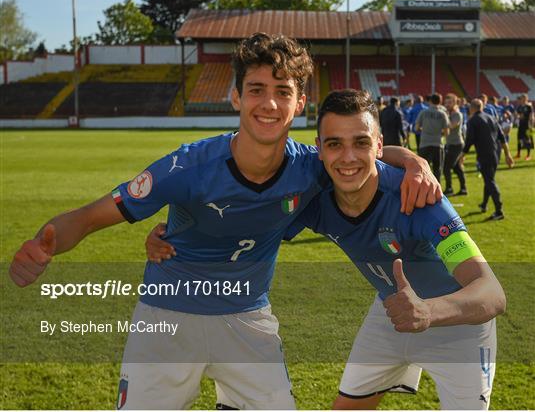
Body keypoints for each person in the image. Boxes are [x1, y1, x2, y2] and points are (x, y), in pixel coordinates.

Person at [8, 33, 441, 410]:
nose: (269, 103)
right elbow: (87, 218)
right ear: (236, 97)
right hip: (167, 318)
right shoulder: (186, 168)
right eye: (256, 90)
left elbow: (363, 155)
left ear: (300, 102)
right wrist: (45, 244)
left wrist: (415, 160)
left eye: (282, 91)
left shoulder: (312, 169)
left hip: (248, 320)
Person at [155, 90, 503, 410]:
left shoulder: (420, 199)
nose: (348, 158)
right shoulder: (315, 197)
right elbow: (240, 221)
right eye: (335, 144)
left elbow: (491, 292)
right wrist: (173, 236)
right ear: (320, 149)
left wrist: (427, 311)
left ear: (378, 145)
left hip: (461, 325)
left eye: (361, 143)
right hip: (390, 311)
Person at [461, 99, 514, 221]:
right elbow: (502, 137)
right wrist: (507, 154)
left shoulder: (473, 120)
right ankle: (484, 204)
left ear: (472, 108)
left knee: (490, 181)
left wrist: (462, 155)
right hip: (496, 153)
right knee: (488, 178)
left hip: (485, 155)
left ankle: (499, 210)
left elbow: (469, 140)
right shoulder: (492, 117)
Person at [415, 93, 450, 182]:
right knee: (437, 169)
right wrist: (440, 133)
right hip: (437, 143)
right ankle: (436, 191)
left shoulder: (423, 112)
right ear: (440, 101)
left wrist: (424, 129)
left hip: (424, 143)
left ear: (430, 101)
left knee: (423, 169)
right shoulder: (443, 114)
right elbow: (447, 132)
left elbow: (416, 127)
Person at [443, 93, 467, 196]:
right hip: (450, 143)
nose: (447, 104)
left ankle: (449, 188)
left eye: (449, 102)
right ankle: (463, 189)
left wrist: (443, 117)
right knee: (457, 167)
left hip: (456, 144)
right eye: (446, 102)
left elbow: (451, 126)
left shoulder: (457, 114)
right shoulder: (449, 113)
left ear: (454, 102)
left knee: (446, 167)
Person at [515, 93, 533, 161]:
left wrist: (531, 125)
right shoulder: (519, 107)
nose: (522, 99)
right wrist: (518, 116)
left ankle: (528, 155)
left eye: (524, 98)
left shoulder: (529, 106)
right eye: (522, 98)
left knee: (528, 140)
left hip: (527, 125)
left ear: (526, 99)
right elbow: (517, 115)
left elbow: (531, 115)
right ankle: (518, 154)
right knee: (519, 139)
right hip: (521, 125)